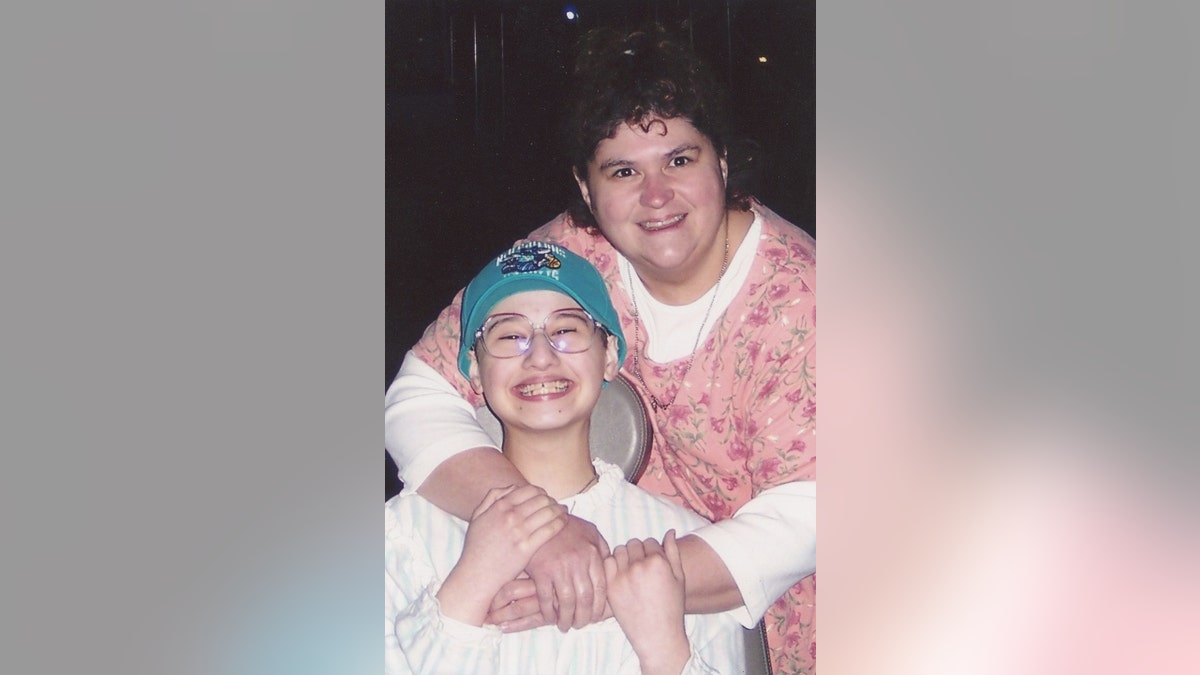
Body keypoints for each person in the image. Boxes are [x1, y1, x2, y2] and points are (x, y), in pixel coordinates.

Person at [386, 24, 816, 674]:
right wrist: (542, 529)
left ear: (722, 160)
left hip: (776, 605)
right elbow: (420, 392)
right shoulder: (569, 260)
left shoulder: (802, 297)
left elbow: (814, 512)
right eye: (622, 170)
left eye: (679, 159)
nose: (655, 195)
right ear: (587, 191)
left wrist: (606, 577)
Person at [385, 242, 746, 674]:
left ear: (609, 356)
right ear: (476, 370)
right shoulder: (401, 533)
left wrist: (665, 650)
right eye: (510, 336)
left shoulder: (680, 543)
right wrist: (469, 584)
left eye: (566, 331)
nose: (539, 357)